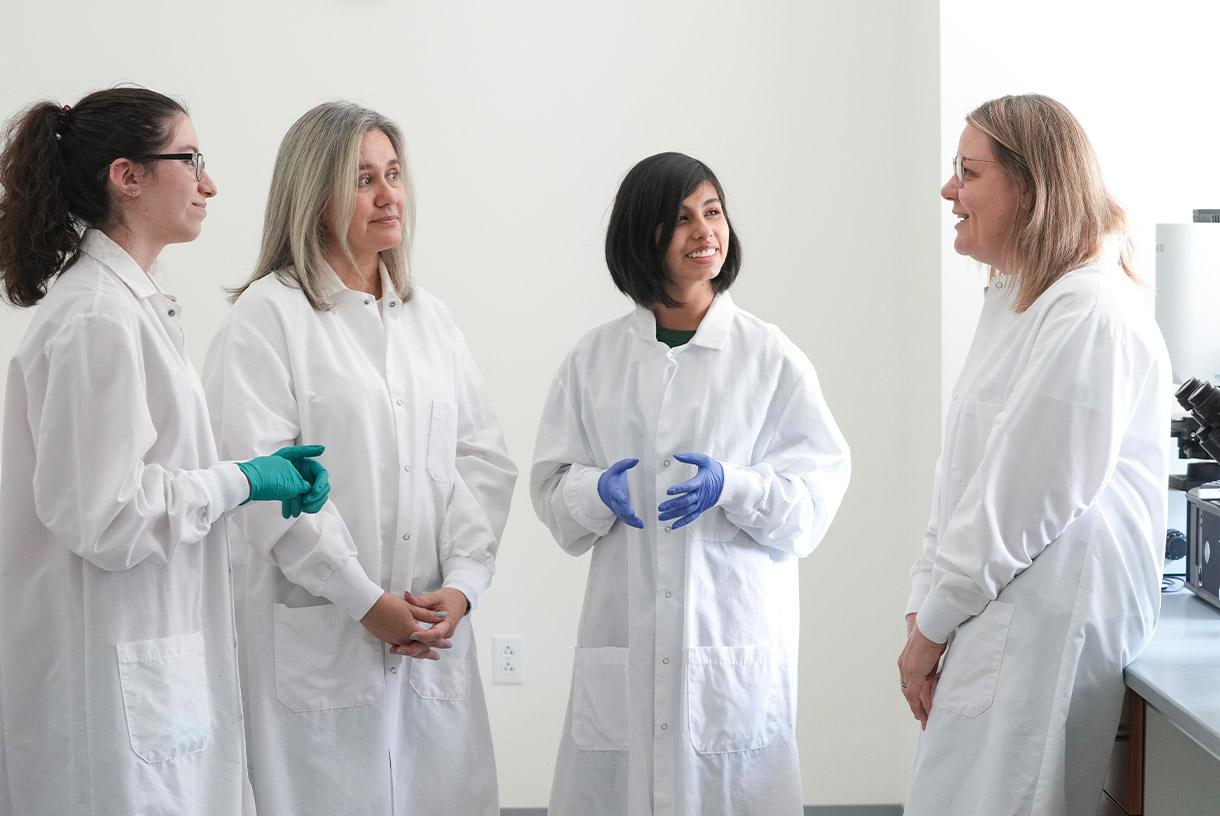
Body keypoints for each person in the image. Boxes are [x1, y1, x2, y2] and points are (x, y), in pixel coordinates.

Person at [0, 88, 329, 816]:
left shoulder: (133, 307)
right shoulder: (96, 318)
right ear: (128, 175)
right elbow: (108, 518)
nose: (210, 184)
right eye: (192, 160)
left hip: (150, 674)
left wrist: (239, 481)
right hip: (109, 690)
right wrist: (241, 481)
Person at [203, 101, 516, 816]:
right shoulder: (267, 317)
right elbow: (266, 485)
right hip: (320, 638)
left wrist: (463, 585)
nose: (388, 195)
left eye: (394, 174)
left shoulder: (430, 320)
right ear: (313, 197)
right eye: (363, 179)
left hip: (431, 635)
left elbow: (480, 461)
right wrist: (363, 601)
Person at [531, 151, 851, 815]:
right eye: (680, 218)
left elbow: (813, 502)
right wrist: (595, 493)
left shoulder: (770, 358)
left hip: (730, 642)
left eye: (713, 211)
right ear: (640, 234)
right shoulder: (594, 359)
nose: (705, 231)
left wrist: (735, 486)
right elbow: (551, 488)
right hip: (625, 636)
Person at [898, 94, 1170, 815]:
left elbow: (1021, 497)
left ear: (1031, 185)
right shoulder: (1017, 300)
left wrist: (932, 625)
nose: (948, 189)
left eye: (968, 172)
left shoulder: (1089, 311)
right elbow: (961, 476)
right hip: (993, 620)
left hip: (1043, 629)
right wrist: (923, 605)